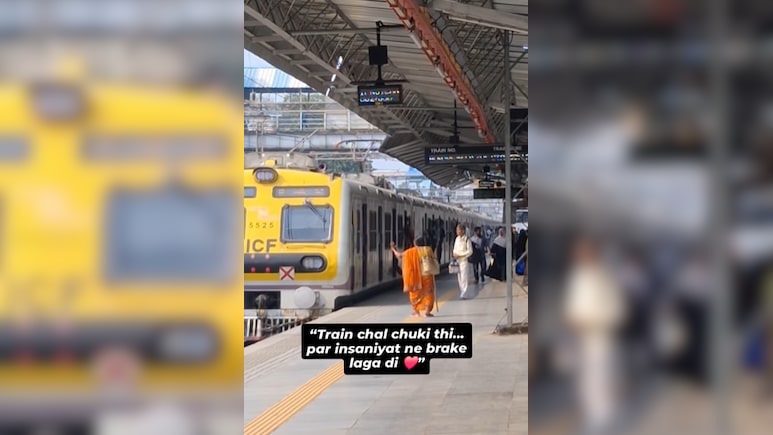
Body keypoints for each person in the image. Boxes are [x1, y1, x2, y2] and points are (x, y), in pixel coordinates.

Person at [391, 236, 437, 317]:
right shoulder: (428, 250)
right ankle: (427, 311)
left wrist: (394, 249)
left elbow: (399, 255)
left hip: (416, 276)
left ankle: (416, 312)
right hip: (427, 274)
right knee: (428, 292)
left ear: (416, 244)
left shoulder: (411, 252)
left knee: (414, 293)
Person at [452, 224, 473, 299]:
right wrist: (454, 253)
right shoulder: (457, 239)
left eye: (458, 230)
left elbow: (470, 251)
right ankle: (462, 291)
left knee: (464, 277)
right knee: (459, 277)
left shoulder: (467, 239)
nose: (457, 231)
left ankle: (464, 292)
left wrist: (461, 255)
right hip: (457, 261)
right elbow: (455, 248)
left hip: (464, 260)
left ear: (463, 230)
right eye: (457, 230)